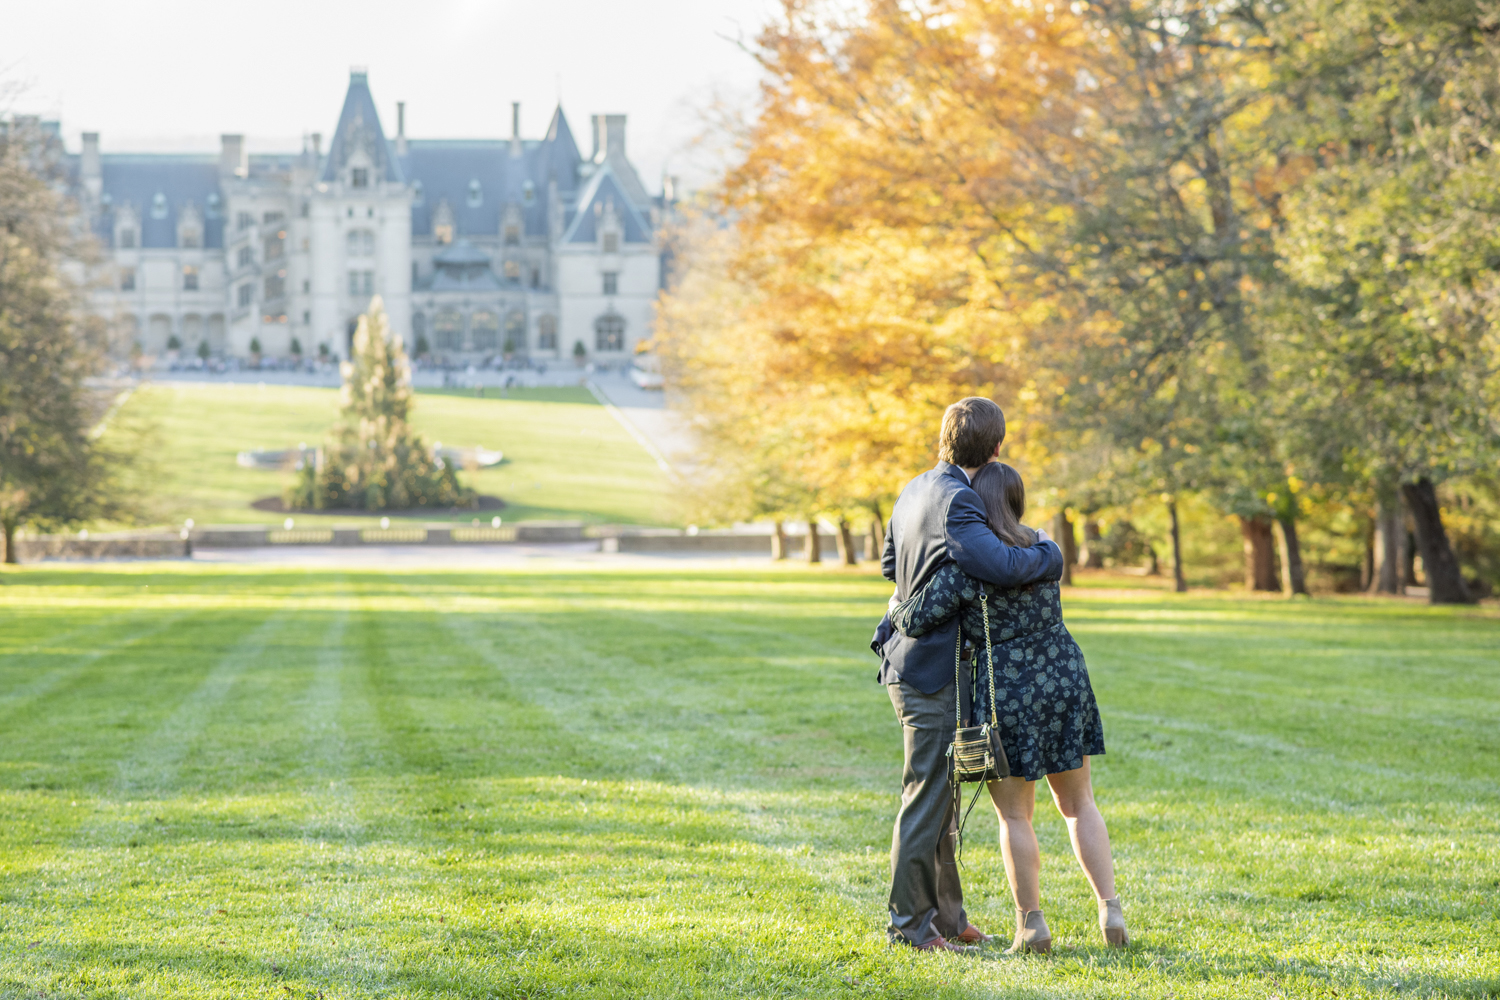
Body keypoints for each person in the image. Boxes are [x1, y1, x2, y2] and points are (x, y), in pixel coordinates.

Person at [889, 461, 1127, 954]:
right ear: (1017, 499)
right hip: (1064, 676)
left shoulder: (964, 570)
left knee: (1016, 817)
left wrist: (895, 603)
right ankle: (1110, 910)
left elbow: (913, 618)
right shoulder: (1045, 546)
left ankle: (1032, 925)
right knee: (1080, 804)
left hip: (1007, 691)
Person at [873, 397, 1064, 953]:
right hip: (928, 671)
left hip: (909, 661)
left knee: (944, 801)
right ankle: (909, 929)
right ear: (998, 447)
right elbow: (1003, 565)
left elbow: (891, 565)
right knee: (926, 798)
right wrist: (1049, 552)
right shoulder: (958, 500)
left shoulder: (913, 488)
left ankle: (949, 918)